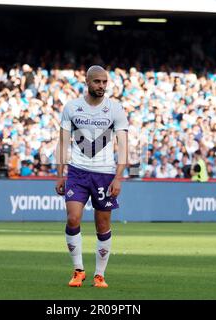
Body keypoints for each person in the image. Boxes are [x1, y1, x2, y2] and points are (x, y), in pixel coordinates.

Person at [54, 65, 129, 288]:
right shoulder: (72, 107)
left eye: (105, 82)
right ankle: (78, 270)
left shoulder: (115, 109)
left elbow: (124, 146)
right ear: (87, 82)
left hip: (105, 174)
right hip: (77, 171)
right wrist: (60, 175)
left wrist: (118, 177)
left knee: (102, 224)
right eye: (97, 82)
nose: (102, 86)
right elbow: (63, 142)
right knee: (73, 218)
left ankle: (99, 274)